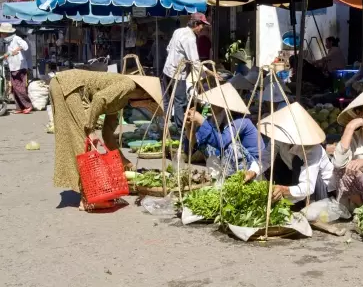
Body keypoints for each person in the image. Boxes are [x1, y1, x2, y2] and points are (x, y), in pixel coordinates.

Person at [49, 69, 162, 211]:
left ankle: (88, 194)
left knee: (82, 140)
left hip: (70, 88)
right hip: (68, 85)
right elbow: (99, 98)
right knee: (81, 140)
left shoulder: (122, 100)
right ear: (145, 94)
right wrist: (90, 129)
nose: (143, 107)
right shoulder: (128, 85)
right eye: (147, 104)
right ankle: (87, 198)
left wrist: (124, 160)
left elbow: (107, 134)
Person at [245, 102, 334, 211]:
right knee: (278, 165)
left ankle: (305, 205)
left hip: (320, 185)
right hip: (296, 175)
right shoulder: (279, 138)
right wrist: (252, 171)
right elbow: (265, 158)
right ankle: (292, 203)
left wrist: (284, 190)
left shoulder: (313, 149)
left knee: (310, 212)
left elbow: (307, 187)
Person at [185, 83, 264, 175]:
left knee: (231, 146)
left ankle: (233, 176)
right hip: (232, 160)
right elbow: (197, 145)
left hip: (253, 164)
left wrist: (201, 120)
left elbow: (221, 143)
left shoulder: (241, 122)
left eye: (214, 104)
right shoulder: (216, 119)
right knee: (206, 143)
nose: (211, 107)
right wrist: (190, 128)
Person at [162, 13, 215, 131]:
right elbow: (195, 61)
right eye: (202, 26)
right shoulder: (190, 38)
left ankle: (166, 124)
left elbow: (168, 48)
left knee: (167, 100)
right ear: (196, 24)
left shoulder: (178, 31)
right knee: (180, 101)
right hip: (177, 73)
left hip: (167, 69)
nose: (202, 29)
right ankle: (181, 129)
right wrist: (207, 74)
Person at [0, 23, 32, 114]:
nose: (1, 35)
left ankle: (28, 105)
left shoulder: (16, 38)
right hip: (12, 67)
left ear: (6, 33)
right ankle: (19, 107)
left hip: (20, 67)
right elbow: (8, 54)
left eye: (2, 33)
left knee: (20, 88)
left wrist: (18, 49)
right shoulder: (7, 42)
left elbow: (25, 46)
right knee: (14, 88)